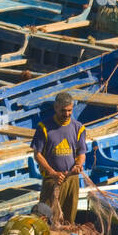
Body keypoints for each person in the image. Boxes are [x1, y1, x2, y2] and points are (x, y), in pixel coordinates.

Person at [32, 91, 86, 224]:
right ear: (55, 108)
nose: (67, 114)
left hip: (72, 180)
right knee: (46, 219)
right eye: (63, 111)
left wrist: (78, 165)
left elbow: (81, 153)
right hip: (52, 180)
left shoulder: (78, 128)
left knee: (69, 220)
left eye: (69, 110)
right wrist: (53, 173)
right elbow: (37, 154)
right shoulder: (43, 127)